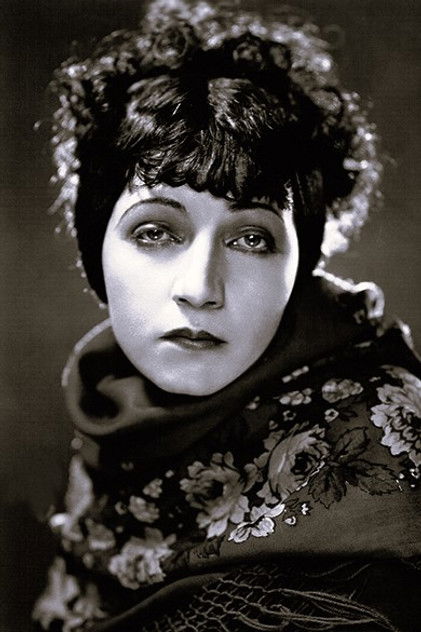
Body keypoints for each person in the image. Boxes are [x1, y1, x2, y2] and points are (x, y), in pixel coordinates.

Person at [33, 1, 421, 630]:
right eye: (156, 232)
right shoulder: (110, 431)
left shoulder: (390, 445)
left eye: (251, 239)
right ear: (94, 248)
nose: (200, 289)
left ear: (300, 268)